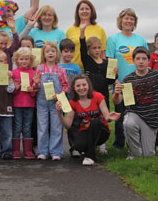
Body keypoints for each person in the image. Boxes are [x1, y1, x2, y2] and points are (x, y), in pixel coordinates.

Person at [106, 8, 148, 149]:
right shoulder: (113, 39)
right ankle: (119, 144)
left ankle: (139, 143)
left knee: (139, 115)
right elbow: (110, 61)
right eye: (126, 18)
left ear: (134, 22)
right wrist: (113, 81)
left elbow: (147, 60)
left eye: (132, 18)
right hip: (122, 84)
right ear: (121, 21)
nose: (129, 21)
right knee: (122, 115)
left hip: (139, 83)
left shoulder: (140, 39)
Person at [56, 75, 120, 165]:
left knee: (95, 122)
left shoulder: (98, 96)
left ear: (88, 86)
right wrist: (59, 114)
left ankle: (90, 156)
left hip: (101, 132)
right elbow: (68, 125)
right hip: (85, 132)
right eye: (78, 86)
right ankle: (89, 152)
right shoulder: (72, 102)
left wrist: (110, 117)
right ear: (74, 88)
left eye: (84, 85)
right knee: (78, 146)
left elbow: (107, 117)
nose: (81, 88)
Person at [80, 24, 118, 154]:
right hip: (90, 96)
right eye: (94, 48)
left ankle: (102, 145)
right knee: (90, 119)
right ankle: (90, 144)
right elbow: (81, 47)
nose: (96, 50)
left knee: (102, 118)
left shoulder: (106, 63)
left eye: (98, 48)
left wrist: (115, 74)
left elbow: (110, 81)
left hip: (103, 96)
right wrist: (82, 31)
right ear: (89, 50)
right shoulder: (87, 61)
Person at [35, 41, 70, 161]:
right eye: (47, 51)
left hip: (57, 103)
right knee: (42, 126)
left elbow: (66, 86)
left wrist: (60, 94)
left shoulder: (61, 70)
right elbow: (36, 86)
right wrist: (35, 83)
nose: (50, 53)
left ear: (57, 54)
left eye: (53, 51)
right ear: (43, 54)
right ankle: (42, 151)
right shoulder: (39, 69)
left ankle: (56, 151)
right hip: (42, 102)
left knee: (56, 126)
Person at [11, 47, 39, 159]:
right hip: (17, 104)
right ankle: (16, 150)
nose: (24, 61)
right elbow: (11, 91)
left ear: (30, 60)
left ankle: (27, 150)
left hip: (30, 104)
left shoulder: (33, 73)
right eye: (21, 59)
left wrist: (34, 88)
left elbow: (35, 91)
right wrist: (16, 88)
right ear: (17, 60)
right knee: (17, 127)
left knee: (27, 127)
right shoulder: (13, 73)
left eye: (26, 59)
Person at [66, 0, 107, 72]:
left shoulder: (100, 30)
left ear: (91, 11)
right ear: (77, 12)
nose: (84, 11)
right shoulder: (70, 30)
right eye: (82, 9)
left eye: (87, 9)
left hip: (94, 71)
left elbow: (102, 54)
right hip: (74, 70)